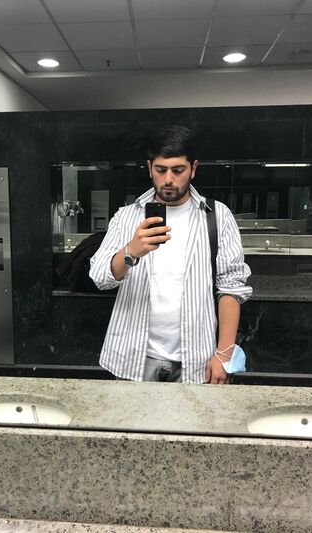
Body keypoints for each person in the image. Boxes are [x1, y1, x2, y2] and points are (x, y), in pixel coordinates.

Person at [89, 125, 252, 384]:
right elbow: (99, 277)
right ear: (149, 167)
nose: (168, 179)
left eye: (178, 170)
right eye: (160, 170)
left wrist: (223, 354)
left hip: (197, 360)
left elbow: (231, 288)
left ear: (193, 168)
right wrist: (131, 251)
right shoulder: (126, 216)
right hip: (132, 358)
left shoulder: (218, 216)